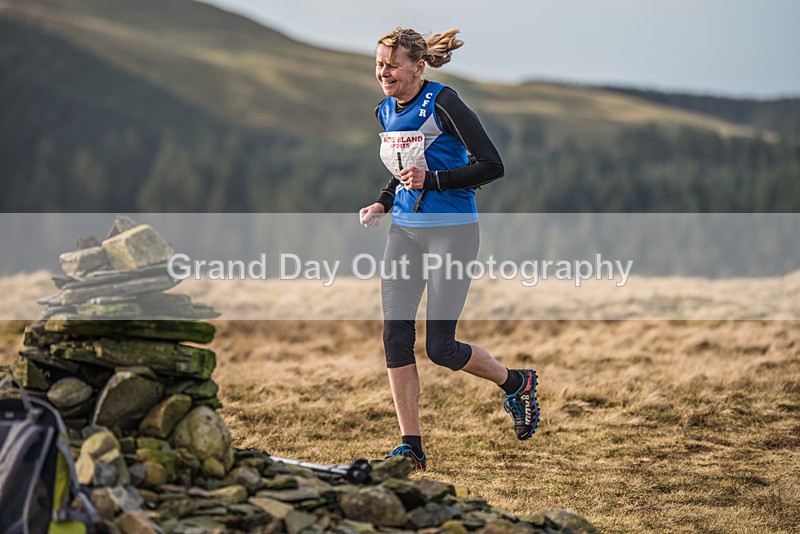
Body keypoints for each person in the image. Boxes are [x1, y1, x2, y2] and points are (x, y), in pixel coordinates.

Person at [359, 27, 539, 471]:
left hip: (452, 232)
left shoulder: (443, 102)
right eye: (380, 64)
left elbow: (492, 165)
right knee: (395, 336)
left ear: (418, 67)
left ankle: (516, 382)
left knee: (440, 348)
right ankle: (411, 447)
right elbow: (405, 170)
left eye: (392, 65)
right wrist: (383, 201)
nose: (384, 73)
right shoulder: (383, 110)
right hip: (404, 231)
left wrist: (434, 182)